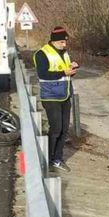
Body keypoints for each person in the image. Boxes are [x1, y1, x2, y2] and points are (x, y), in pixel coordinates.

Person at [34, 26, 79, 173]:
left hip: (65, 95)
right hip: (51, 96)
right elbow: (43, 75)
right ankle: (48, 158)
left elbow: (65, 73)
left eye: (65, 42)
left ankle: (57, 158)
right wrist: (63, 72)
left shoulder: (64, 53)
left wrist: (71, 70)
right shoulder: (42, 54)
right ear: (53, 41)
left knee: (64, 129)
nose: (64, 45)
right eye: (61, 42)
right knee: (56, 129)